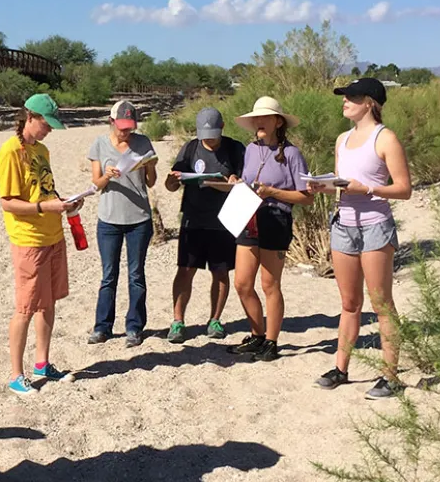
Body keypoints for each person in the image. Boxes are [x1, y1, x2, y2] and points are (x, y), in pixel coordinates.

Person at [313, 78, 412, 399]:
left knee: (382, 304)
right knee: (349, 303)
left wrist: (366, 188)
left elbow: (404, 189)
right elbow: (343, 184)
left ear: (370, 102)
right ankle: (341, 368)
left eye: (351, 97)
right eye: (344, 97)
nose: (344, 101)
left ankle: (390, 375)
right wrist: (322, 186)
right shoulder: (342, 139)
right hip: (343, 225)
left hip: (374, 226)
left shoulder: (386, 139)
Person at [0, 93, 82, 396]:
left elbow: (43, 190)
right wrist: (46, 209)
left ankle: (42, 363)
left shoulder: (42, 150)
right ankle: (16, 374)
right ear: (30, 117)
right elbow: (8, 203)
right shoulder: (10, 152)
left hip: (53, 234)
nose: (48, 131)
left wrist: (66, 203)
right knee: (25, 307)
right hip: (29, 240)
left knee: (48, 302)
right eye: (46, 124)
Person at [228, 97, 313, 361]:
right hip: (248, 215)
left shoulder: (292, 154)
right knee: (242, 283)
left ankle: (272, 341)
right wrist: (237, 182)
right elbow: (250, 180)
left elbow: (306, 196)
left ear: (278, 122)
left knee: (269, 284)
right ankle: (257, 335)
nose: (258, 122)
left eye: (263, 117)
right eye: (256, 118)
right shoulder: (251, 150)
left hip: (276, 219)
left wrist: (273, 192)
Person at [164, 107, 246, 344]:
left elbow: (242, 183)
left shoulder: (234, 149)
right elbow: (172, 185)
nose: (207, 138)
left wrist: (232, 181)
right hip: (193, 219)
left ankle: (215, 320)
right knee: (185, 270)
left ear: (222, 128)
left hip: (223, 221)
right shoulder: (191, 148)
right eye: (203, 134)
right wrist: (171, 181)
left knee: (220, 272)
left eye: (212, 133)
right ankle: (178, 321)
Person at [86, 100, 157, 348]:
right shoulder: (99, 144)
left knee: (136, 275)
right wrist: (107, 175)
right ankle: (102, 327)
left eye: (130, 127)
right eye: (122, 127)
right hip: (109, 220)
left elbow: (151, 182)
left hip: (139, 219)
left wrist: (149, 166)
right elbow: (95, 185)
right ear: (111, 121)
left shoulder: (143, 142)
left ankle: (134, 327)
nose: (126, 132)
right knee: (109, 276)